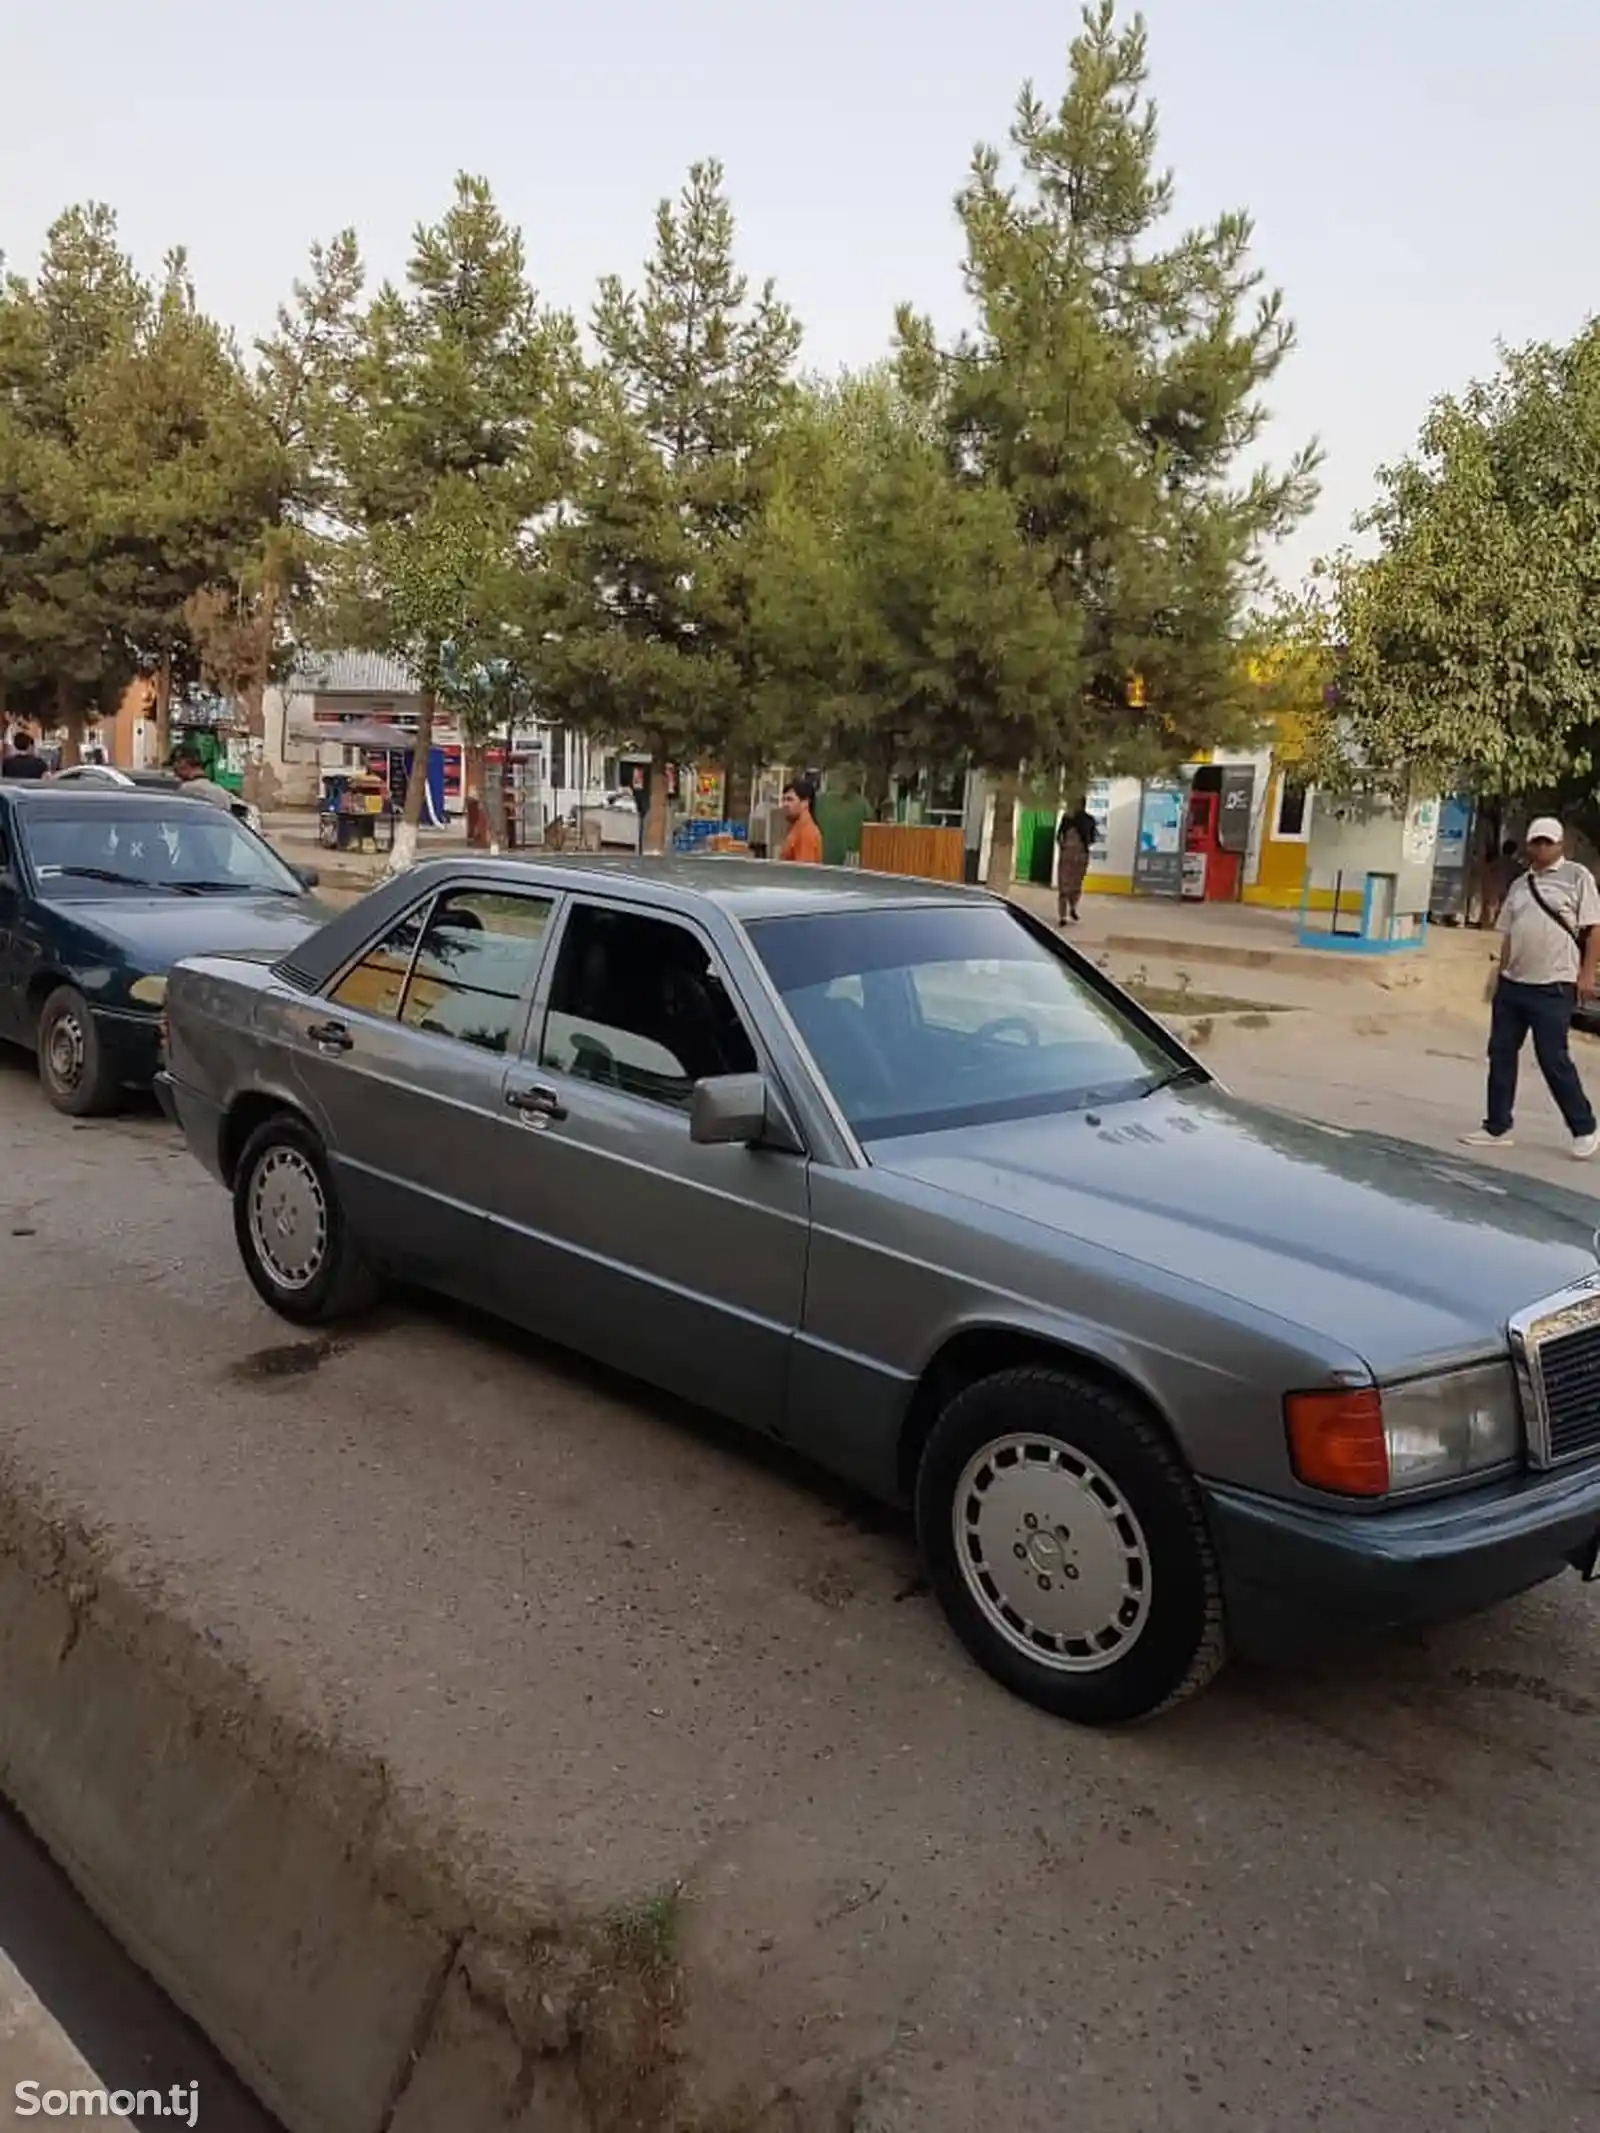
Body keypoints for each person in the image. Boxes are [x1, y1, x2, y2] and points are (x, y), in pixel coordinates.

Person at [1462, 817, 1600, 1159]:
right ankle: (1496, 1126)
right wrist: (1500, 974)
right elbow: (1509, 932)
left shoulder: (1577, 877)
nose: (1541, 848)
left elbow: (1593, 930)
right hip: (1514, 985)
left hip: (1554, 983)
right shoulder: (1521, 885)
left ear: (1560, 845)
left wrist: (1586, 975)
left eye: (1547, 842)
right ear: (1528, 845)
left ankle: (1584, 1127)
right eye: (1536, 842)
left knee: (1552, 1057)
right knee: (1502, 1054)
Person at [1055, 800, 1097, 925]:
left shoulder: (1067, 819)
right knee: (1074, 885)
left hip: (1068, 855)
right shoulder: (1088, 820)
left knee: (1065, 885)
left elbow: (1059, 837)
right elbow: (1092, 839)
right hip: (1080, 855)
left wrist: (1064, 847)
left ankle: (1064, 915)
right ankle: (1070, 910)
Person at [171, 743, 238, 813]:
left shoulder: (187, 790)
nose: (174, 770)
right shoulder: (221, 793)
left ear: (183, 763)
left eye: (175, 764)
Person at [778, 775, 824, 865]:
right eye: (783, 800)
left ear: (805, 803)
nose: (785, 804)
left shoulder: (806, 832)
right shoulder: (797, 828)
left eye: (790, 800)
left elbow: (803, 874)